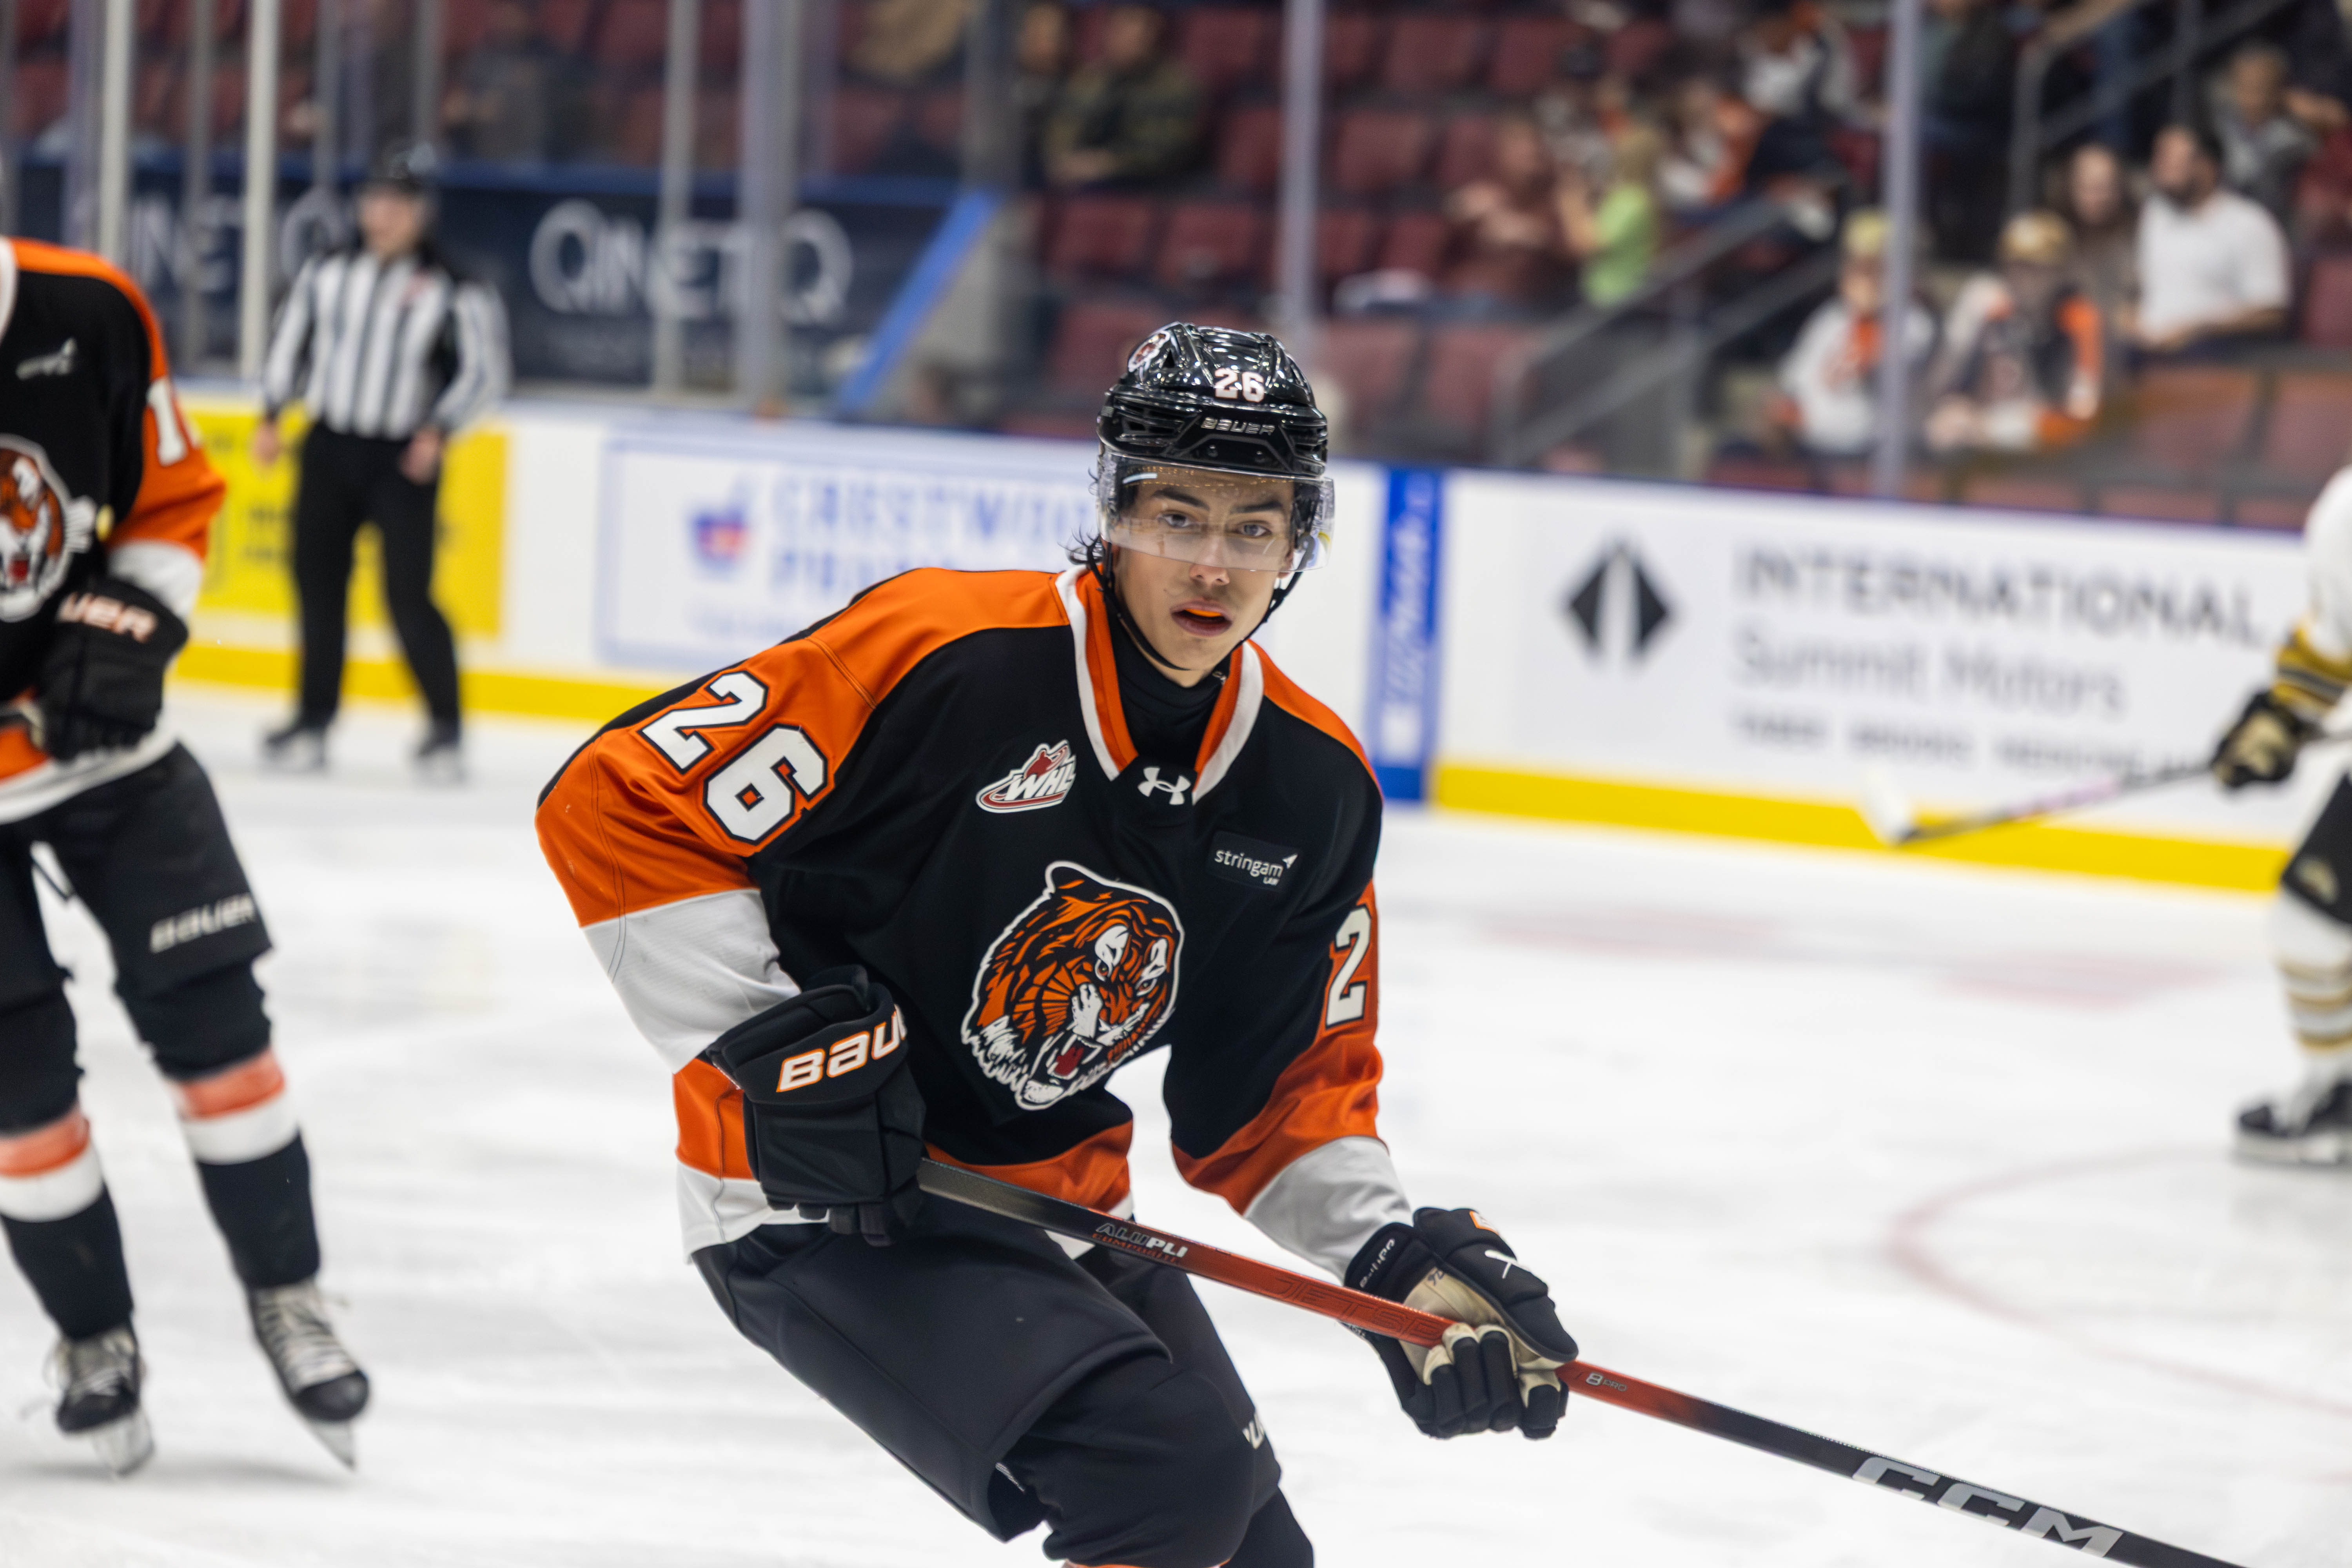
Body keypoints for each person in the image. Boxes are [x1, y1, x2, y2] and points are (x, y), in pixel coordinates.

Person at [534, 323, 1578, 1566]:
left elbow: (1277, 1093)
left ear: (1299, 542)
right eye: (1178, 515)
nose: (1213, 563)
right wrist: (772, 1050)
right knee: (1164, 1479)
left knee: (1250, 1549)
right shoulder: (947, 656)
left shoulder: (1312, 788)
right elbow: (619, 800)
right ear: (1114, 511)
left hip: (1057, 1201)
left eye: (1254, 526)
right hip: (826, 1196)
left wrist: (1393, 1263)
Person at [0, 238, 368, 1475]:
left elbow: (169, 499)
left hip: (106, 753)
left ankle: (290, 1295)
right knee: (15, 1094)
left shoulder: (86, 308)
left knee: (221, 1033)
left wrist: (132, 617)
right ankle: (95, 1336)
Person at [253, 144, 510, 780]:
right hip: (330, 445)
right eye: (375, 200)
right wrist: (271, 412)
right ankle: (313, 721)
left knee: (408, 594)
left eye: (398, 203)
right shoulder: (328, 272)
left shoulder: (456, 286)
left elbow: (484, 372)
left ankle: (445, 729)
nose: (384, 214)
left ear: (422, 212)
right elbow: (291, 342)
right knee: (317, 586)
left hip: (403, 456)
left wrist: (439, 431)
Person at [2210, 469, 2352, 1163]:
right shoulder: (2345, 516)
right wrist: (2279, 719)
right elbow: (2331, 645)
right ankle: (2339, 1094)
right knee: (2307, 928)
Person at [1924, 210, 2104, 454]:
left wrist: (1995, 428)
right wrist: (1952, 409)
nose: (2024, 278)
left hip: (2048, 458)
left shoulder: (2079, 319)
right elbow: (1938, 388)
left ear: (2062, 272)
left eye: (2039, 267)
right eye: (2016, 265)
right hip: (1979, 447)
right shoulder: (1986, 304)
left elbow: (2083, 419)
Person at [1769, 208, 1936, 459]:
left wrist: (1875, 312)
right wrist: (1784, 410)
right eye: (1857, 267)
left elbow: (1874, 361)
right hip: (1811, 453)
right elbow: (1792, 383)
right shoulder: (1831, 317)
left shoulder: (1914, 323)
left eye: (1874, 269)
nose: (1863, 279)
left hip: (1871, 460)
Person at [2132, 122, 2290, 358]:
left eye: (2171, 160)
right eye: (2159, 157)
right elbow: (2136, 289)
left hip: (2214, 357)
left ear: (2207, 166)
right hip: (2143, 355)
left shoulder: (2250, 224)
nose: (2160, 168)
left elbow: (2271, 312)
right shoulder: (2153, 214)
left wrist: (2197, 329)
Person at [1040, 4, 1203, 190]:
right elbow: (1061, 129)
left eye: (1134, 30)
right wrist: (1062, 159)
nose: (1124, 38)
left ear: (1152, 36)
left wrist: (1104, 163)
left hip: (1148, 186)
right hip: (1081, 182)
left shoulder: (1176, 86)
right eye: (1118, 29)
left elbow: (1165, 150)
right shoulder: (1089, 80)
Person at [1440, 114, 1574, 314]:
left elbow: (1578, 248)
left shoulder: (1560, 195)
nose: (1528, 153)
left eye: (1534, 148)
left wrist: (1534, 233)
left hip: (1522, 305)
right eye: (1517, 147)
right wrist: (1456, 209)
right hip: (1458, 295)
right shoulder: (1489, 189)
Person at [1558, 119, 1665, 308]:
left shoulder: (1632, 200)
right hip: (1614, 291)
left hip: (1615, 294)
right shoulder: (1628, 195)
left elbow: (1588, 246)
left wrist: (1571, 202)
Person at [442, 0, 561, 163]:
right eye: (501, 11)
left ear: (528, 17)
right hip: (480, 151)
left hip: (526, 154)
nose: (505, 19)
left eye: (512, 13)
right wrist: (472, 108)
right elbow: (458, 105)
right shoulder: (483, 55)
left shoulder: (545, 55)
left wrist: (494, 103)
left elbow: (538, 103)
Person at [2210, 42, 2318, 224]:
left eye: (2259, 88)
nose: (2249, 99)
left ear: (2278, 92)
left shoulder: (2294, 144)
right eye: (2242, 86)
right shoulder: (2217, 128)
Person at [2054, 142, 2136, 352]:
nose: (2097, 197)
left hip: (2122, 354)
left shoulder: (2139, 239)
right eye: (2088, 187)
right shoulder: (2051, 241)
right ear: (2070, 187)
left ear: (2120, 191)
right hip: (2060, 350)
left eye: (2105, 188)